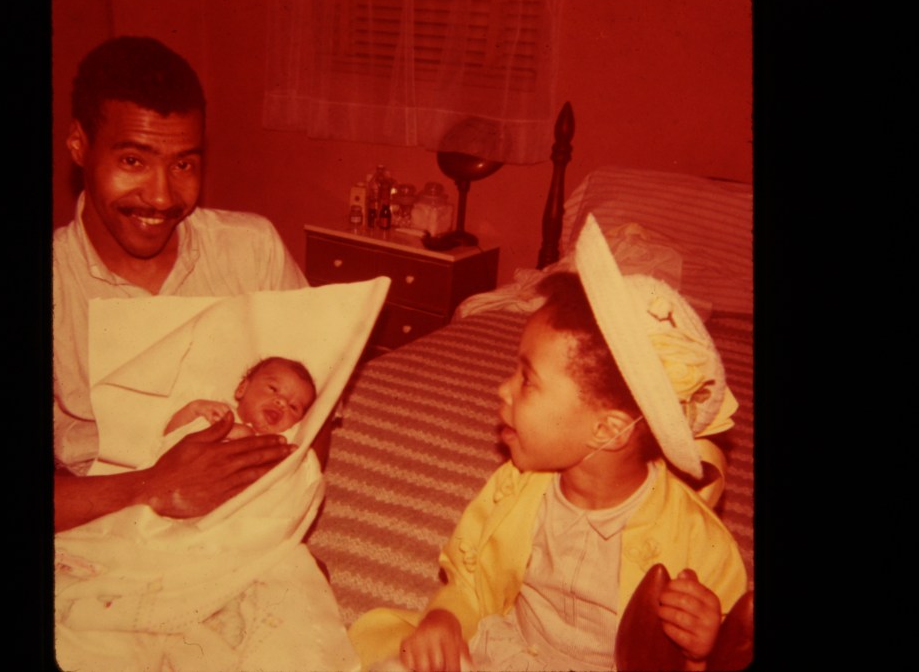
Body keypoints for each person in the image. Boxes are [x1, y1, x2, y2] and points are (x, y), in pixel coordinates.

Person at [348, 215, 748, 672]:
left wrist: (702, 650)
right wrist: (445, 617)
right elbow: (471, 577)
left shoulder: (696, 540)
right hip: (510, 653)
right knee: (396, 655)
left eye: (527, 379)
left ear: (608, 430)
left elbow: (715, 640)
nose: (502, 389)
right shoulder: (516, 487)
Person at [53, 35, 310, 533]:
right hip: (100, 519)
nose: (161, 196)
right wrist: (152, 487)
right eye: (133, 161)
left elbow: (319, 397)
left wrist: (277, 507)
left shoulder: (251, 248)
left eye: (183, 165)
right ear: (79, 145)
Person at [164, 356, 317, 438]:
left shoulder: (277, 444)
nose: (282, 402)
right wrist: (194, 409)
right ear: (242, 388)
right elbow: (168, 438)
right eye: (273, 389)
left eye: (293, 407)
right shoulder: (215, 411)